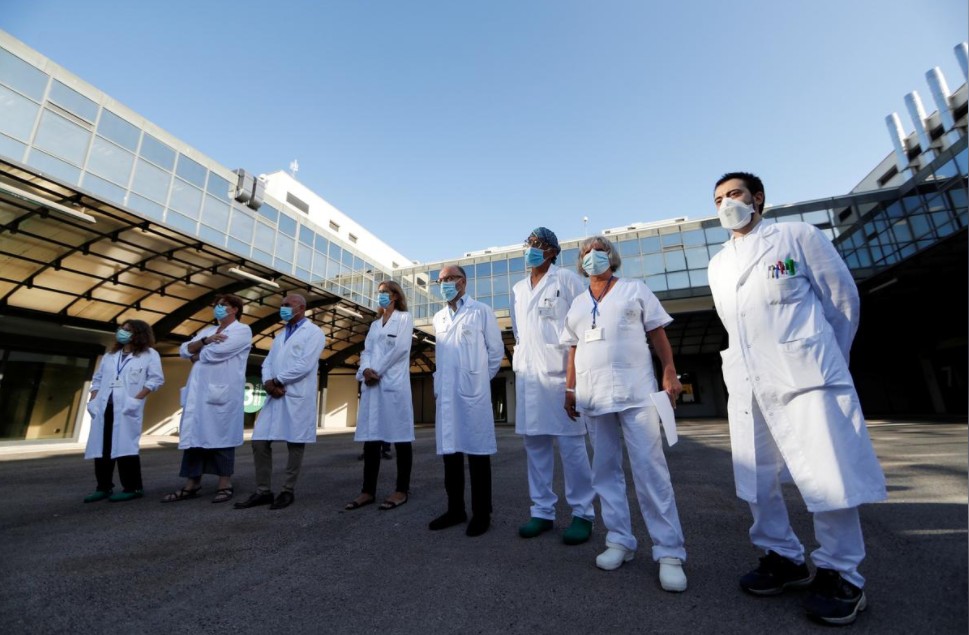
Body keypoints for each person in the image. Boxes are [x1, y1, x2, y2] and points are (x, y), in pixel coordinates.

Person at [708, 172, 886, 625]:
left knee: (827, 473)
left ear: (758, 199)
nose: (727, 204)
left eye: (734, 194)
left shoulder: (797, 236)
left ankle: (842, 573)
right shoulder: (717, 264)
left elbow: (842, 302)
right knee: (756, 474)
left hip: (807, 376)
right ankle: (783, 557)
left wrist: (825, 360)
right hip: (749, 382)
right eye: (719, 199)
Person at [562, 235, 688, 593]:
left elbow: (657, 333)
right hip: (593, 395)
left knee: (650, 470)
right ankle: (619, 539)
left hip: (637, 393)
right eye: (586, 252)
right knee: (604, 471)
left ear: (612, 256)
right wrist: (569, 389)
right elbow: (572, 349)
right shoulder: (577, 304)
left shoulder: (635, 289)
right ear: (580, 262)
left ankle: (669, 552)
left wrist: (669, 371)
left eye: (599, 250)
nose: (592, 256)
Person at [511, 227, 595, 544]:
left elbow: (582, 327)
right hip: (529, 377)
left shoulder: (568, 280)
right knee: (535, 448)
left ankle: (583, 513)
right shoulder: (518, 289)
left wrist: (576, 381)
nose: (531, 248)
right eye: (529, 243)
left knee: (572, 449)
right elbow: (520, 333)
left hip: (561, 377)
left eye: (539, 244)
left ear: (552, 251)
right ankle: (542, 512)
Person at [428, 265, 503, 537]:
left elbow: (496, 352)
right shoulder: (438, 318)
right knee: (451, 454)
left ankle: (482, 514)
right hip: (447, 394)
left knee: (478, 454)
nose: (445, 283)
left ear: (463, 281)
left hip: (473, 394)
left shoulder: (480, 311)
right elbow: (442, 356)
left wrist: (478, 380)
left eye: (450, 278)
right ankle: (455, 509)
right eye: (441, 280)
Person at [235, 294, 325, 511]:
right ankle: (263, 491)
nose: (282, 308)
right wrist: (268, 382)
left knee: (295, 443)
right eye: (282, 305)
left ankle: (287, 490)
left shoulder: (314, 333)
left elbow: (305, 364)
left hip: (295, 395)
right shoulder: (280, 335)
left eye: (287, 305)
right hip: (274, 394)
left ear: (301, 308)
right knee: (259, 441)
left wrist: (277, 381)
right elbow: (268, 362)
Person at [163, 294, 252, 504]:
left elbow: (216, 354)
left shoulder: (242, 330)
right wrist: (204, 341)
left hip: (221, 394)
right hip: (199, 394)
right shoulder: (207, 331)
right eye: (216, 305)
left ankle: (225, 484)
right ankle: (191, 484)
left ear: (235, 309)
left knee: (221, 438)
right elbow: (183, 350)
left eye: (223, 305)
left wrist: (197, 353)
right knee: (194, 439)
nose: (218, 308)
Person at [345, 281, 415, 512]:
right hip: (372, 384)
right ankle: (367, 491)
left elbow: (400, 349)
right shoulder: (375, 325)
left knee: (401, 437)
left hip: (392, 384)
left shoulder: (404, 318)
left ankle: (401, 490)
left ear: (395, 296)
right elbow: (366, 351)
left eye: (385, 292)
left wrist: (377, 371)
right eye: (379, 293)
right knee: (371, 439)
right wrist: (365, 370)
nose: (381, 296)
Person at [83, 320, 164, 503]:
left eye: (128, 330)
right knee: (102, 447)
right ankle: (103, 487)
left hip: (127, 408)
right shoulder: (110, 355)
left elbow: (155, 380)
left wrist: (136, 400)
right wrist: (93, 400)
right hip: (105, 406)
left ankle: (133, 488)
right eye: (122, 329)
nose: (122, 332)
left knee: (125, 447)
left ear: (139, 334)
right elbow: (98, 379)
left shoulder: (149, 355)